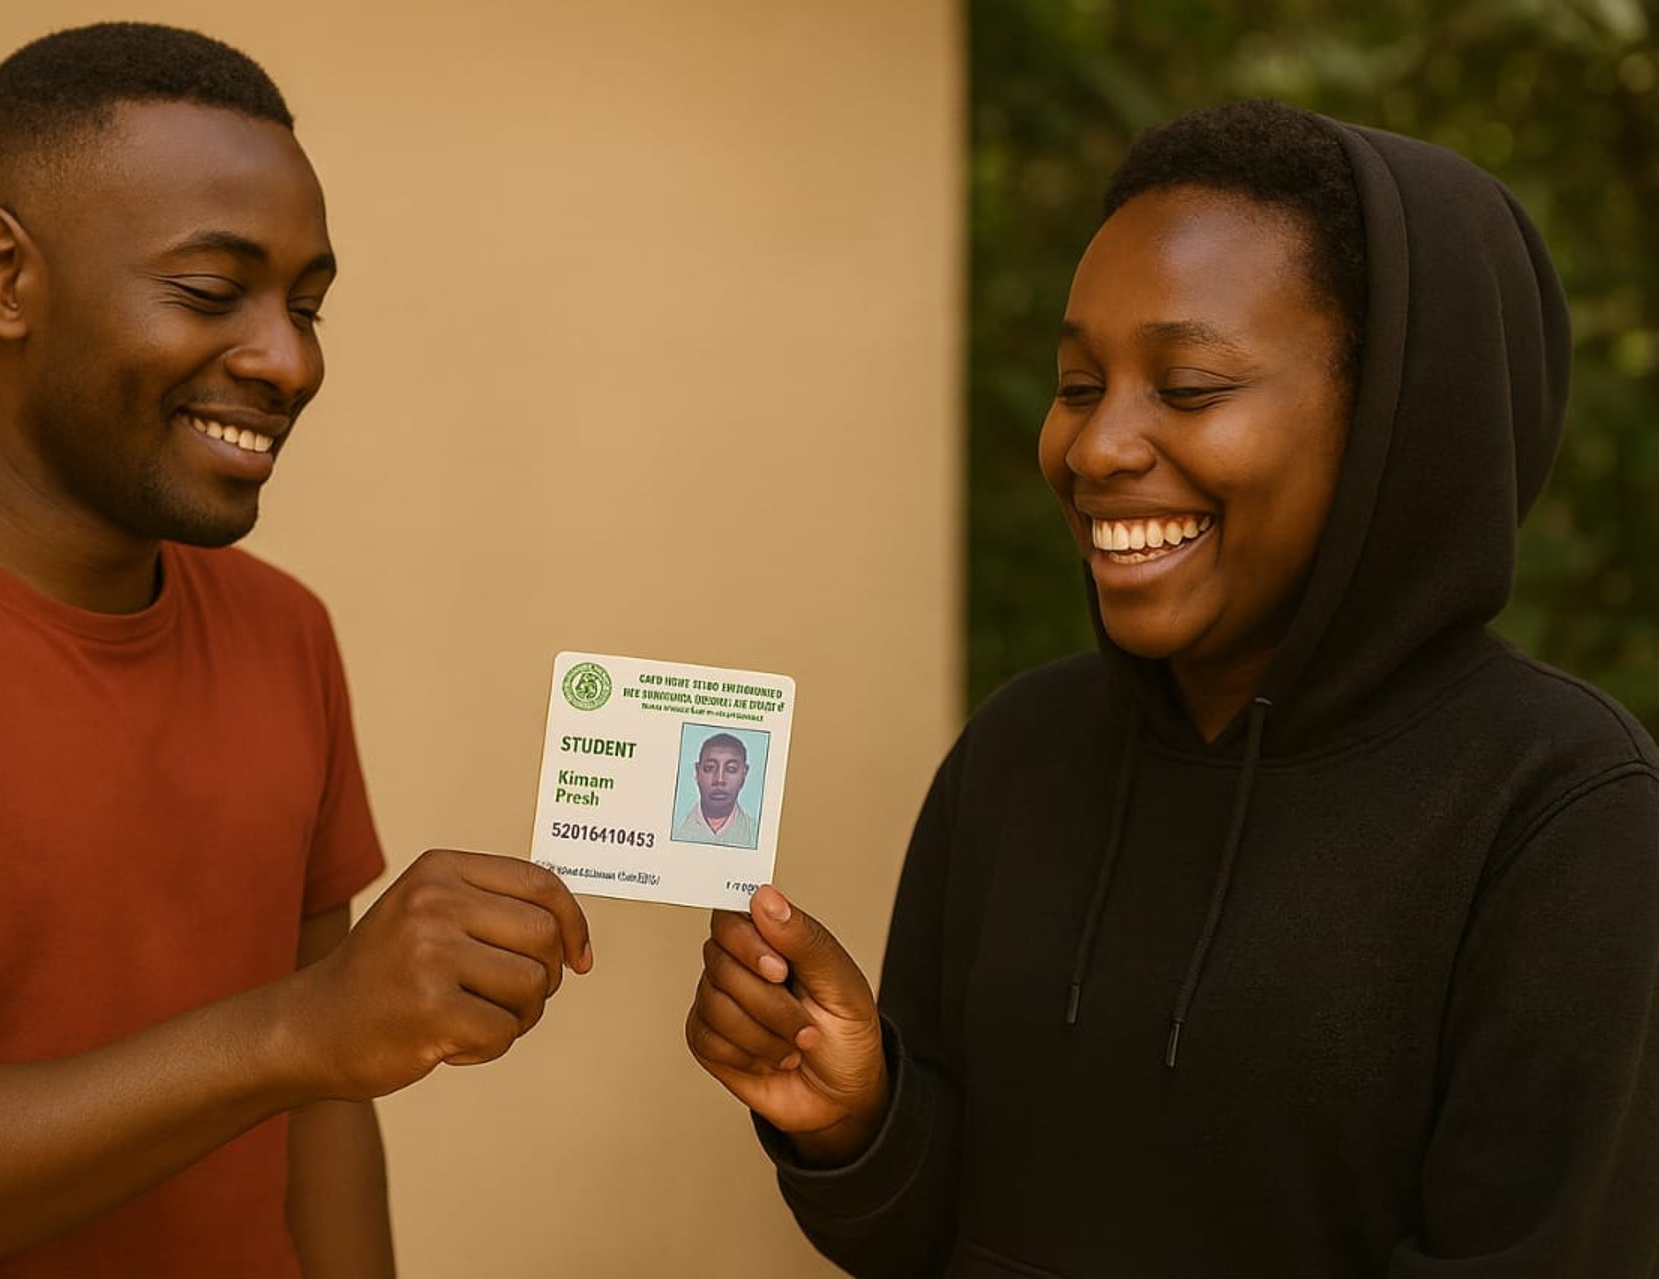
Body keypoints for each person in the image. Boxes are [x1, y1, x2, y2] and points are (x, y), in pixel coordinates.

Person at [686, 99, 1659, 1276]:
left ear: (1396, 421)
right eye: (1079, 383)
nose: (1096, 447)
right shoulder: (1016, 753)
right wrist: (858, 1123)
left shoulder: (1566, 815)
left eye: (1188, 386)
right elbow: (937, 1237)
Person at [0, 23, 592, 1279]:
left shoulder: (284, 631)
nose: (287, 359)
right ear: (3, 275)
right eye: (210, 293)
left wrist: (319, 1042)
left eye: (307, 305)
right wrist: (294, 1029)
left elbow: (328, 1103)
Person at [674, 732, 760, 848]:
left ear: (744, 773)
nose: (719, 779)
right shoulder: (676, 829)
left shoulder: (756, 834)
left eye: (731, 769)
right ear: (697, 771)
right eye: (709, 768)